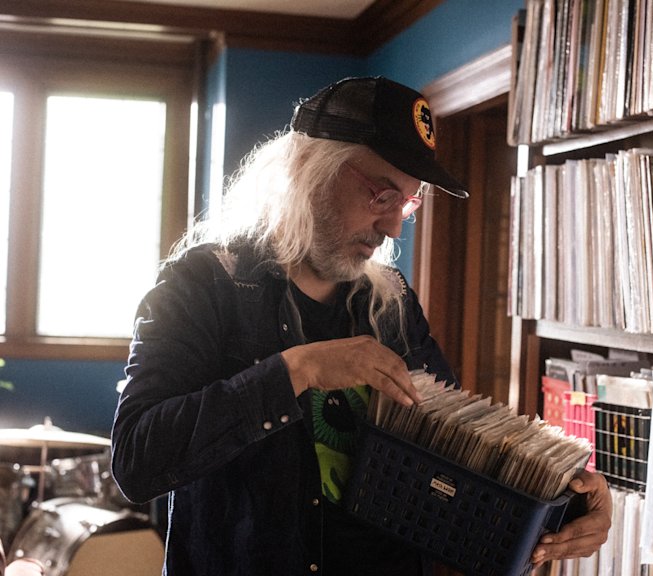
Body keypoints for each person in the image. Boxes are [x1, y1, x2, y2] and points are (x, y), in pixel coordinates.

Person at [111, 76, 611, 576]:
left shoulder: (389, 301)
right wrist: (297, 369)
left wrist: (566, 501)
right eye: (381, 195)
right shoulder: (203, 284)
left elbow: (455, 463)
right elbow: (137, 462)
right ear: (308, 167)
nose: (394, 226)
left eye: (408, 204)